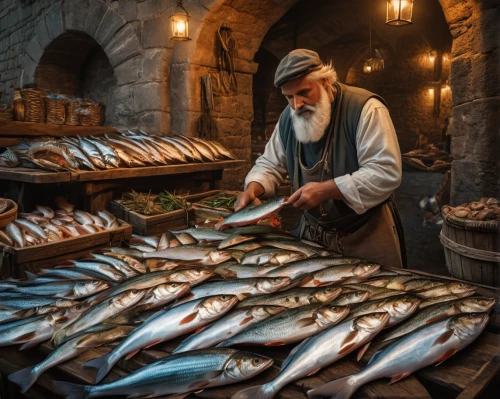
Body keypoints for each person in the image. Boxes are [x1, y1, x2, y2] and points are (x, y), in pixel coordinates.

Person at [234, 49, 406, 268]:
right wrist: (253, 188)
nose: (297, 104)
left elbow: (385, 172)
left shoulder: (365, 108)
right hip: (313, 233)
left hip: (366, 231)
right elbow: (270, 163)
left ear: (325, 81)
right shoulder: (288, 117)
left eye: (304, 92)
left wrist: (327, 189)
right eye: (289, 97)